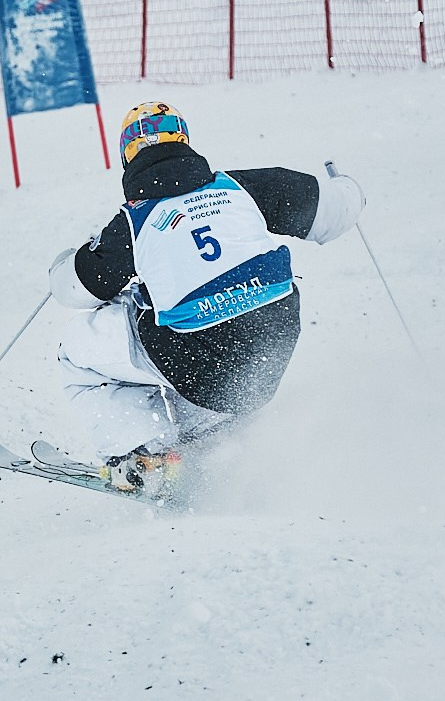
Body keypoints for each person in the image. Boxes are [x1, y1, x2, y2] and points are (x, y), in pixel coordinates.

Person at [47, 101, 365, 495]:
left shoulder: (134, 220)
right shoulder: (243, 188)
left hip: (200, 364)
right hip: (268, 355)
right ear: (183, 140)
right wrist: (345, 186)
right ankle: (213, 438)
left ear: (128, 155)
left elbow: (75, 290)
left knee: (83, 354)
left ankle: (145, 457)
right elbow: (337, 211)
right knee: (192, 328)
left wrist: (70, 261)